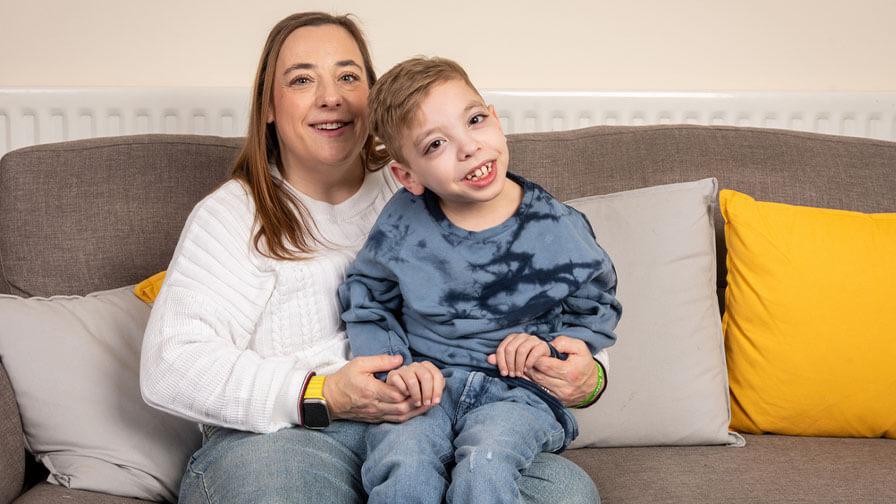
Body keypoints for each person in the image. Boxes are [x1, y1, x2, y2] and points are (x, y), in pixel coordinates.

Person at [140, 11, 604, 504]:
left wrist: (589, 375)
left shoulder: (429, 177)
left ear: (374, 96)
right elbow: (172, 365)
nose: (331, 97)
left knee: (565, 492)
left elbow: (556, 289)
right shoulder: (233, 214)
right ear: (269, 107)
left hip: (442, 417)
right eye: (302, 80)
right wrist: (324, 393)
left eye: (348, 76)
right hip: (295, 437)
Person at [338, 56, 622, 504]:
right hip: (428, 388)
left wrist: (555, 350)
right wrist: (397, 366)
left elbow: (595, 306)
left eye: (474, 121)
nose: (468, 147)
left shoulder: (559, 226)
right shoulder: (402, 227)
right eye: (435, 144)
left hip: (520, 394)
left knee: (486, 461)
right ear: (407, 176)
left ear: (495, 118)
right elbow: (368, 296)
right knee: (404, 460)